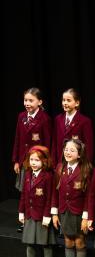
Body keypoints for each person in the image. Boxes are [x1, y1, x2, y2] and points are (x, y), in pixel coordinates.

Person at [51, 138, 92, 257]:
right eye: (66, 149)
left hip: (79, 212)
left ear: (79, 154)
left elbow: (89, 196)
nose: (68, 152)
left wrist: (86, 216)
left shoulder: (86, 170)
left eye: (72, 150)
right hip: (64, 211)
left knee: (79, 242)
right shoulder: (60, 167)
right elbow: (55, 192)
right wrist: (54, 213)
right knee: (68, 241)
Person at [12, 87, 52, 231]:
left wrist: (46, 162)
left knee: (38, 191)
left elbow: (47, 142)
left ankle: (39, 218)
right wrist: (16, 160)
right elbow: (18, 138)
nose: (27, 103)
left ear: (39, 102)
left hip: (38, 161)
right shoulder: (21, 116)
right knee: (25, 190)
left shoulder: (45, 119)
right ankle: (26, 220)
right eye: (25, 100)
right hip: (25, 160)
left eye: (31, 100)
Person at [18, 145, 55, 257]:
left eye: (37, 160)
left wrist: (47, 215)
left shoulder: (48, 176)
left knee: (46, 244)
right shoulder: (27, 174)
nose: (34, 163)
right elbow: (23, 195)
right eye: (32, 159)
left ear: (44, 161)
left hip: (42, 215)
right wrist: (21, 211)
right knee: (30, 244)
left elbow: (50, 197)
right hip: (30, 214)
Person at [51, 88, 94, 166]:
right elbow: (54, 143)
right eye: (63, 100)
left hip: (77, 163)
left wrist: (86, 165)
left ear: (77, 103)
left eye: (68, 100)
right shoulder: (58, 119)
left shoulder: (84, 121)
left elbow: (88, 146)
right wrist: (54, 163)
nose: (65, 103)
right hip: (61, 163)